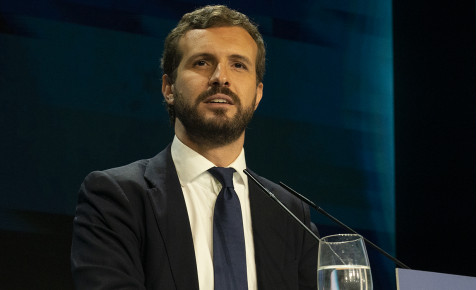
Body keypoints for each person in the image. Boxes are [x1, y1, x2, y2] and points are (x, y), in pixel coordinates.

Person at [70, 5, 318, 290]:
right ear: (169, 88)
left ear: (258, 94)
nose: (220, 77)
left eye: (238, 65)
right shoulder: (116, 196)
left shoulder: (290, 213)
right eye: (202, 62)